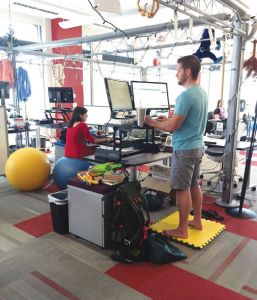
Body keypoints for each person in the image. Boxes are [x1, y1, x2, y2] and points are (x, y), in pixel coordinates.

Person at [144, 55, 208, 239]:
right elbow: (180, 121)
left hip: (185, 149)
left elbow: (172, 127)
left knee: (182, 189)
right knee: (194, 185)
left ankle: (182, 230)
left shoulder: (186, 95)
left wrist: (152, 122)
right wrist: (169, 119)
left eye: (178, 70)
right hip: (197, 146)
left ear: (188, 72)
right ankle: (196, 220)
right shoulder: (201, 92)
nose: (176, 75)